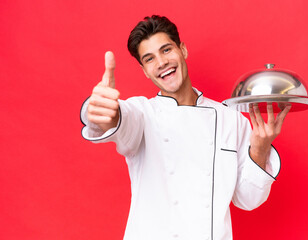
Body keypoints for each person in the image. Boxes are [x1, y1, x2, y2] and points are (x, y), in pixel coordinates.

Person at [80, 15, 291, 240]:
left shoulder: (231, 119)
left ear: (183, 50)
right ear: (144, 70)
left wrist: (260, 148)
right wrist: (105, 113)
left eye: (166, 50)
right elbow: (121, 120)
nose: (161, 62)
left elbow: (249, 199)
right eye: (149, 59)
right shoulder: (142, 113)